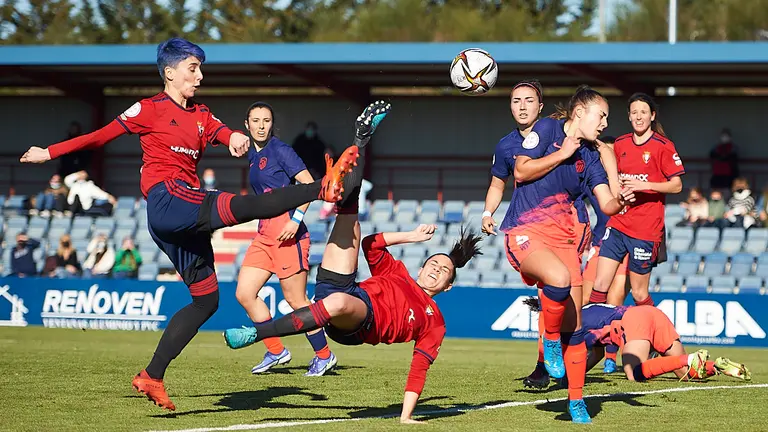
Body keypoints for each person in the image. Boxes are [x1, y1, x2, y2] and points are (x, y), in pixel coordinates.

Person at [19, 37, 360, 411]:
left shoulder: (202, 113)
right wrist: (48, 152)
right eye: (192, 68)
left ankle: (151, 375)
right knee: (246, 206)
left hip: (181, 218)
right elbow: (101, 135)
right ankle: (320, 189)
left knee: (206, 300)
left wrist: (235, 139)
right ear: (169, 72)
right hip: (168, 200)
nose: (200, 75)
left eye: (200, 68)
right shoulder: (148, 109)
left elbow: (223, 132)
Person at [224, 102, 483, 423]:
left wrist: (406, 416)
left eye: (444, 271)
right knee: (350, 220)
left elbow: (419, 366)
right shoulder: (398, 272)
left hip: (360, 322)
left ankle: (260, 335)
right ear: (420, 266)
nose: (436, 269)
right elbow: (373, 244)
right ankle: (361, 139)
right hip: (343, 287)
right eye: (435, 262)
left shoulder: (435, 320)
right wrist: (413, 236)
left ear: (448, 286)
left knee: (334, 301)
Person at [496, 85, 633, 423]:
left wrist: (613, 167)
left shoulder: (590, 157)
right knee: (557, 281)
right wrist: (561, 153)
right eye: (601, 116)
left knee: (576, 330)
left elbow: (608, 205)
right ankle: (550, 341)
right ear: (580, 112)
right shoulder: (547, 128)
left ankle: (575, 402)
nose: (603, 124)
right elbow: (521, 171)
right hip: (526, 231)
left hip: (565, 242)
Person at [234, 101, 337, 376]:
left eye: (265, 120)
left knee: (296, 300)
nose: (260, 125)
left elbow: (309, 185)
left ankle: (324, 356)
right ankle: (276, 350)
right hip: (264, 233)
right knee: (244, 293)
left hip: (287, 233)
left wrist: (295, 220)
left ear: (272, 124)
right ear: (246, 124)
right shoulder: (252, 154)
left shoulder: (281, 150)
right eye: (255, 120)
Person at [589, 93, 684, 308]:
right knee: (599, 286)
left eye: (643, 112)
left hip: (646, 230)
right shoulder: (621, 143)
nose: (638, 117)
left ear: (652, 116)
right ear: (629, 117)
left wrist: (646, 185)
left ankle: (662, 338)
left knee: (639, 294)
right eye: (634, 113)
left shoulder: (663, 146)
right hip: (619, 224)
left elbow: (677, 185)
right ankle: (595, 340)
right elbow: (614, 175)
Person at [526, 298, 752, 383]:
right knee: (686, 372)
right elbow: (594, 354)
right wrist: (572, 378)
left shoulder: (573, 324)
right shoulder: (586, 311)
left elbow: (572, 355)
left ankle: (691, 356)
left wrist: (556, 373)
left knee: (634, 374)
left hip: (636, 319)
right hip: (652, 314)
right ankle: (717, 365)